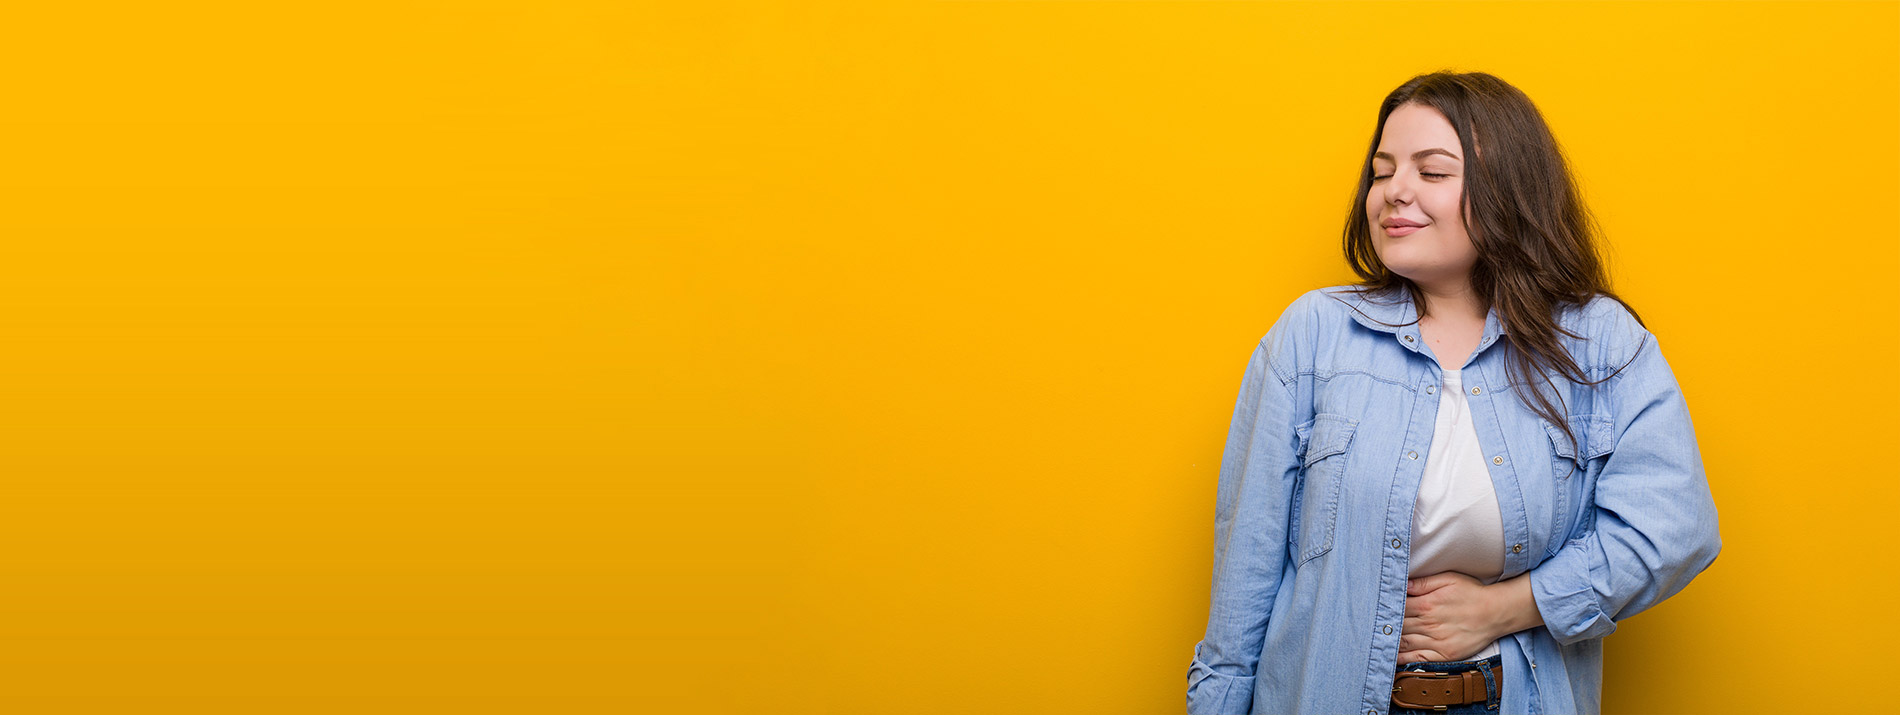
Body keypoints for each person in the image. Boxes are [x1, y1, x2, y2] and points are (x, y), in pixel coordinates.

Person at [1184, 71, 1721, 715]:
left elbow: (1672, 525)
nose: (1393, 192)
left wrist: (1509, 607)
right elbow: (1248, 562)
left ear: (1507, 191)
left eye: (1431, 172)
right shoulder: (1314, 334)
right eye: (1382, 172)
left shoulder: (1599, 342)